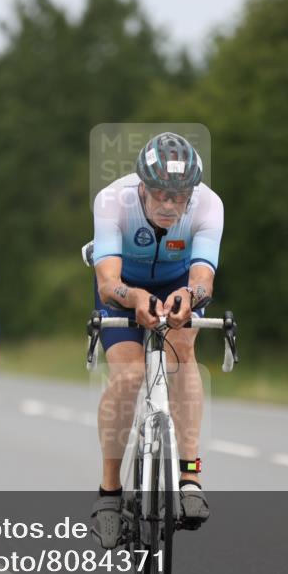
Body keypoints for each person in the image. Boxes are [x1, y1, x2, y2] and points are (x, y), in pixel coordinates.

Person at [89, 132, 223, 548]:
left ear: (192, 193)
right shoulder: (113, 201)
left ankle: (190, 475)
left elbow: (203, 280)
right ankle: (109, 496)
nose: (169, 205)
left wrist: (190, 296)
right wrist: (136, 298)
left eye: (179, 196)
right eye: (160, 194)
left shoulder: (209, 205)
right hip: (124, 289)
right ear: (142, 186)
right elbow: (108, 281)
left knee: (183, 352)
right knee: (128, 377)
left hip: (177, 286)